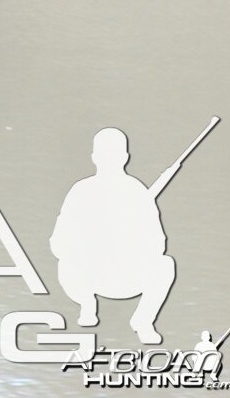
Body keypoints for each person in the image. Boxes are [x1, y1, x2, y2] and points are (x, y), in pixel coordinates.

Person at [54, 128, 179, 347]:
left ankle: (143, 321)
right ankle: (87, 304)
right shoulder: (81, 191)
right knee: (66, 263)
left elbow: (157, 245)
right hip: (89, 276)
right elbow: (59, 244)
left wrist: (127, 241)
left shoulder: (136, 192)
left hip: (127, 277)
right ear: (125, 158)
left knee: (165, 265)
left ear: (94, 157)